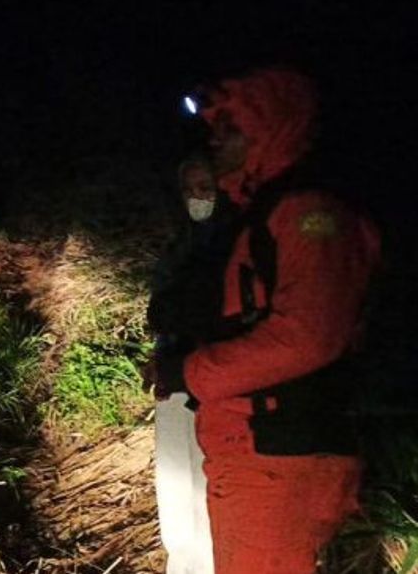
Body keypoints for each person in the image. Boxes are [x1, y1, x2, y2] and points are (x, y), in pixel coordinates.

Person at [157, 67, 381, 574]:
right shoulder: (261, 214)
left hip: (281, 454)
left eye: (230, 128)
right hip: (256, 448)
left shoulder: (309, 215)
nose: (215, 140)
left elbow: (309, 336)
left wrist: (189, 372)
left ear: (269, 129)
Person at [145, 155, 235, 574]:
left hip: (212, 380)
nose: (200, 198)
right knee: (175, 477)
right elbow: (163, 310)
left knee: (206, 478)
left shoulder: (235, 243)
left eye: (207, 187)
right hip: (173, 372)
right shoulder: (178, 244)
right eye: (191, 190)